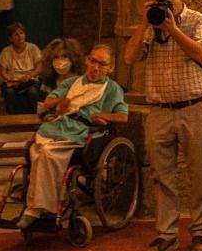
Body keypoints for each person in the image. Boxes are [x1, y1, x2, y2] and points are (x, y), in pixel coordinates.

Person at [123, 0, 202, 251]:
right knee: (162, 175)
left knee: (199, 173)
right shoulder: (150, 24)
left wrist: (173, 29)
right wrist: (144, 23)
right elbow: (129, 58)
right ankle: (167, 234)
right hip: (160, 109)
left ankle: (200, 230)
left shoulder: (198, 20)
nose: (161, 2)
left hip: (194, 106)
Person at [17, 44, 128, 227]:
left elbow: (123, 116)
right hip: (60, 125)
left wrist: (104, 116)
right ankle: (44, 204)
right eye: (92, 61)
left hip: (83, 132)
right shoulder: (72, 82)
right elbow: (48, 103)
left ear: (110, 67)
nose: (95, 67)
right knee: (36, 150)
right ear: (86, 61)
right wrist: (62, 103)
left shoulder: (112, 89)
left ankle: (37, 209)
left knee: (46, 153)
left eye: (102, 63)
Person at [0, 23, 43, 113]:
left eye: (21, 33)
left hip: (29, 81)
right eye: (16, 34)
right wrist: (11, 80)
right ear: (10, 39)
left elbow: (39, 68)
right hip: (13, 81)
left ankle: (34, 117)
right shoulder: (6, 51)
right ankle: (12, 119)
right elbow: (2, 72)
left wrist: (29, 76)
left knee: (32, 92)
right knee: (9, 93)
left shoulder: (33, 48)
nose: (19, 36)